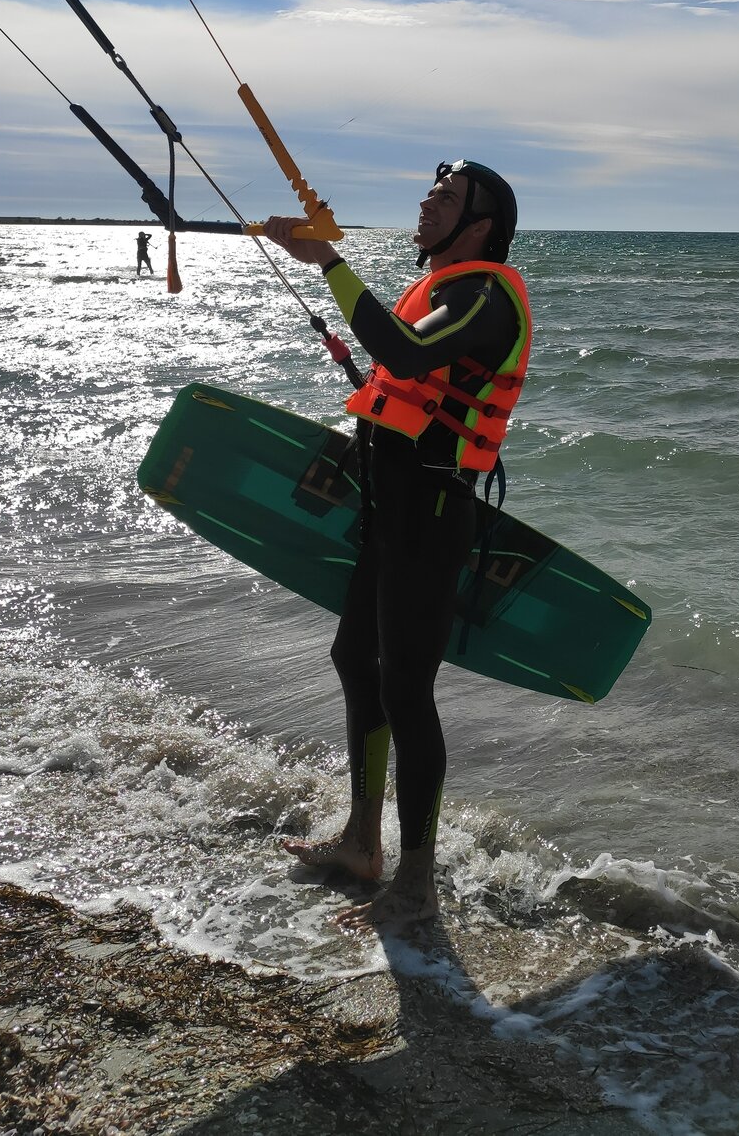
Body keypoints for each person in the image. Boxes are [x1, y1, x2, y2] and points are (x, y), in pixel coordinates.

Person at [264, 160, 531, 928]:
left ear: (479, 226)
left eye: (444, 198)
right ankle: (360, 841)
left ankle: (415, 885)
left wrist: (330, 265)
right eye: (429, 192)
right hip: (390, 512)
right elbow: (398, 357)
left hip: (432, 518)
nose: (426, 203)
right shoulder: (445, 290)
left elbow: (408, 356)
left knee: (407, 691)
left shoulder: (488, 297)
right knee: (357, 659)